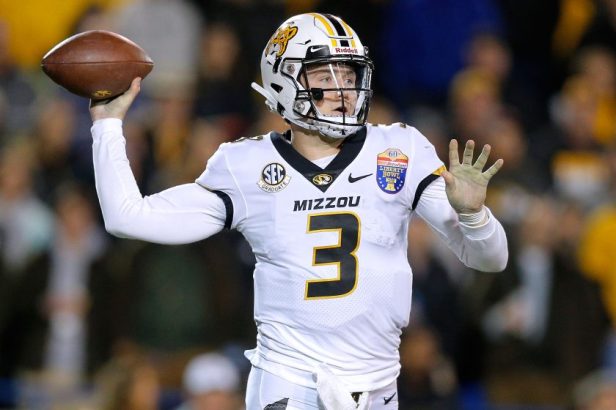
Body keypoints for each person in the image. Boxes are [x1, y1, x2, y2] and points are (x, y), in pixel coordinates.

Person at [88, 13, 508, 410]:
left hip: (379, 382)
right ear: (284, 82)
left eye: (349, 75)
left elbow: (491, 258)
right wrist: (107, 126)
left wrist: (474, 215)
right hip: (290, 382)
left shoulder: (399, 150)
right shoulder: (246, 166)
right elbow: (128, 216)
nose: (343, 91)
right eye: (325, 77)